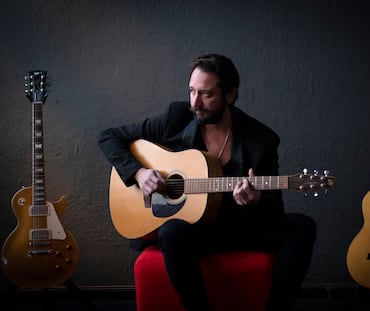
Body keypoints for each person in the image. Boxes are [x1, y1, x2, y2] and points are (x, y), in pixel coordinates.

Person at [98, 53, 316, 311]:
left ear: (230, 95)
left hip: (238, 228)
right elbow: (109, 137)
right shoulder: (176, 118)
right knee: (171, 231)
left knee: (303, 226)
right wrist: (139, 173)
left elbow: (273, 208)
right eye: (192, 91)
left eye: (206, 94)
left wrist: (255, 200)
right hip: (195, 232)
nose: (195, 102)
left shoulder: (261, 140)